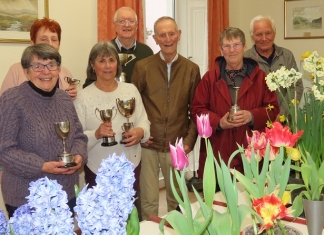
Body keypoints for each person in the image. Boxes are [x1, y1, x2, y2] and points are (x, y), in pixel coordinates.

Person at [0, 43, 88, 218]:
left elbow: (79, 136)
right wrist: (42, 166)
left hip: (65, 192)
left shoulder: (64, 98)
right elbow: (5, 151)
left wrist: (79, 156)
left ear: (58, 69)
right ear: (26, 71)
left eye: (51, 65)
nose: (46, 72)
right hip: (25, 198)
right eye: (38, 66)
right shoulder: (12, 99)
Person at [132, 16, 201, 220]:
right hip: (148, 145)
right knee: (149, 201)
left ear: (178, 35)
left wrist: (188, 142)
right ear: (155, 38)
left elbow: (196, 110)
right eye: (162, 35)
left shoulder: (191, 69)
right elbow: (133, 107)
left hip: (177, 145)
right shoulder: (142, 68)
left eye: (171, 33)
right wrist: (141, 135)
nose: (168, 38)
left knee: (177, 200)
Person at [74, 41, 150, 220]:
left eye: (111, 60)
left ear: (118, 64)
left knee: (129, 219)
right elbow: (77, 138)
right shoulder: (83, 96)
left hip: (130, 165)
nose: (107, 66)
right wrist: (96, 134)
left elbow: (144, 121)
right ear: (92, 65)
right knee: (102, 220)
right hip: (97, 169)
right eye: (102, 61)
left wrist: (139, 132)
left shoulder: (130, 90)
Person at [191, 27, 279, 179]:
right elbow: (197, 110)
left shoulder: (260, 77)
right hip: (219, 149)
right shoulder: (209, 78)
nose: (232, 50)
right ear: (221, 49)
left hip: (252, 150)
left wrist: (251, 116)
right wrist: (219, 122)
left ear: (245, 47)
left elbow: (273, 109)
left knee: (251, 198)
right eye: (227, 46)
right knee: (219, 200)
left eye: (236, 45)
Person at [0, 17, 77, 99]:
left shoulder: (65, 72)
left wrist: (72, 96)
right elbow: (4, 103)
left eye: (54, 40)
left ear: (59, 45)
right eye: (44, 39)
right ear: (33, 43)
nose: (50, 44)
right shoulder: (16, 70)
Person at [244, 15, 303, 118]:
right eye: (259, 34)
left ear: (274, 33)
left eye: (268, 33)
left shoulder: (286, 55)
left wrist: (281, 115)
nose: (264, 38)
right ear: (252, 36)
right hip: (257, 122)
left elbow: (296, 87)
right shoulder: (245, 59)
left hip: (285, 120)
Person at [83, 6, 153, 87]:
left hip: (137, 98)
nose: (127, 25)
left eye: (131, 21)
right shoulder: (102, 50)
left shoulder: (147, 52)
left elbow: (151, 85)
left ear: (136, 26)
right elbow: (89, 83)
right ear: (115, 26)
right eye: (122, 21)